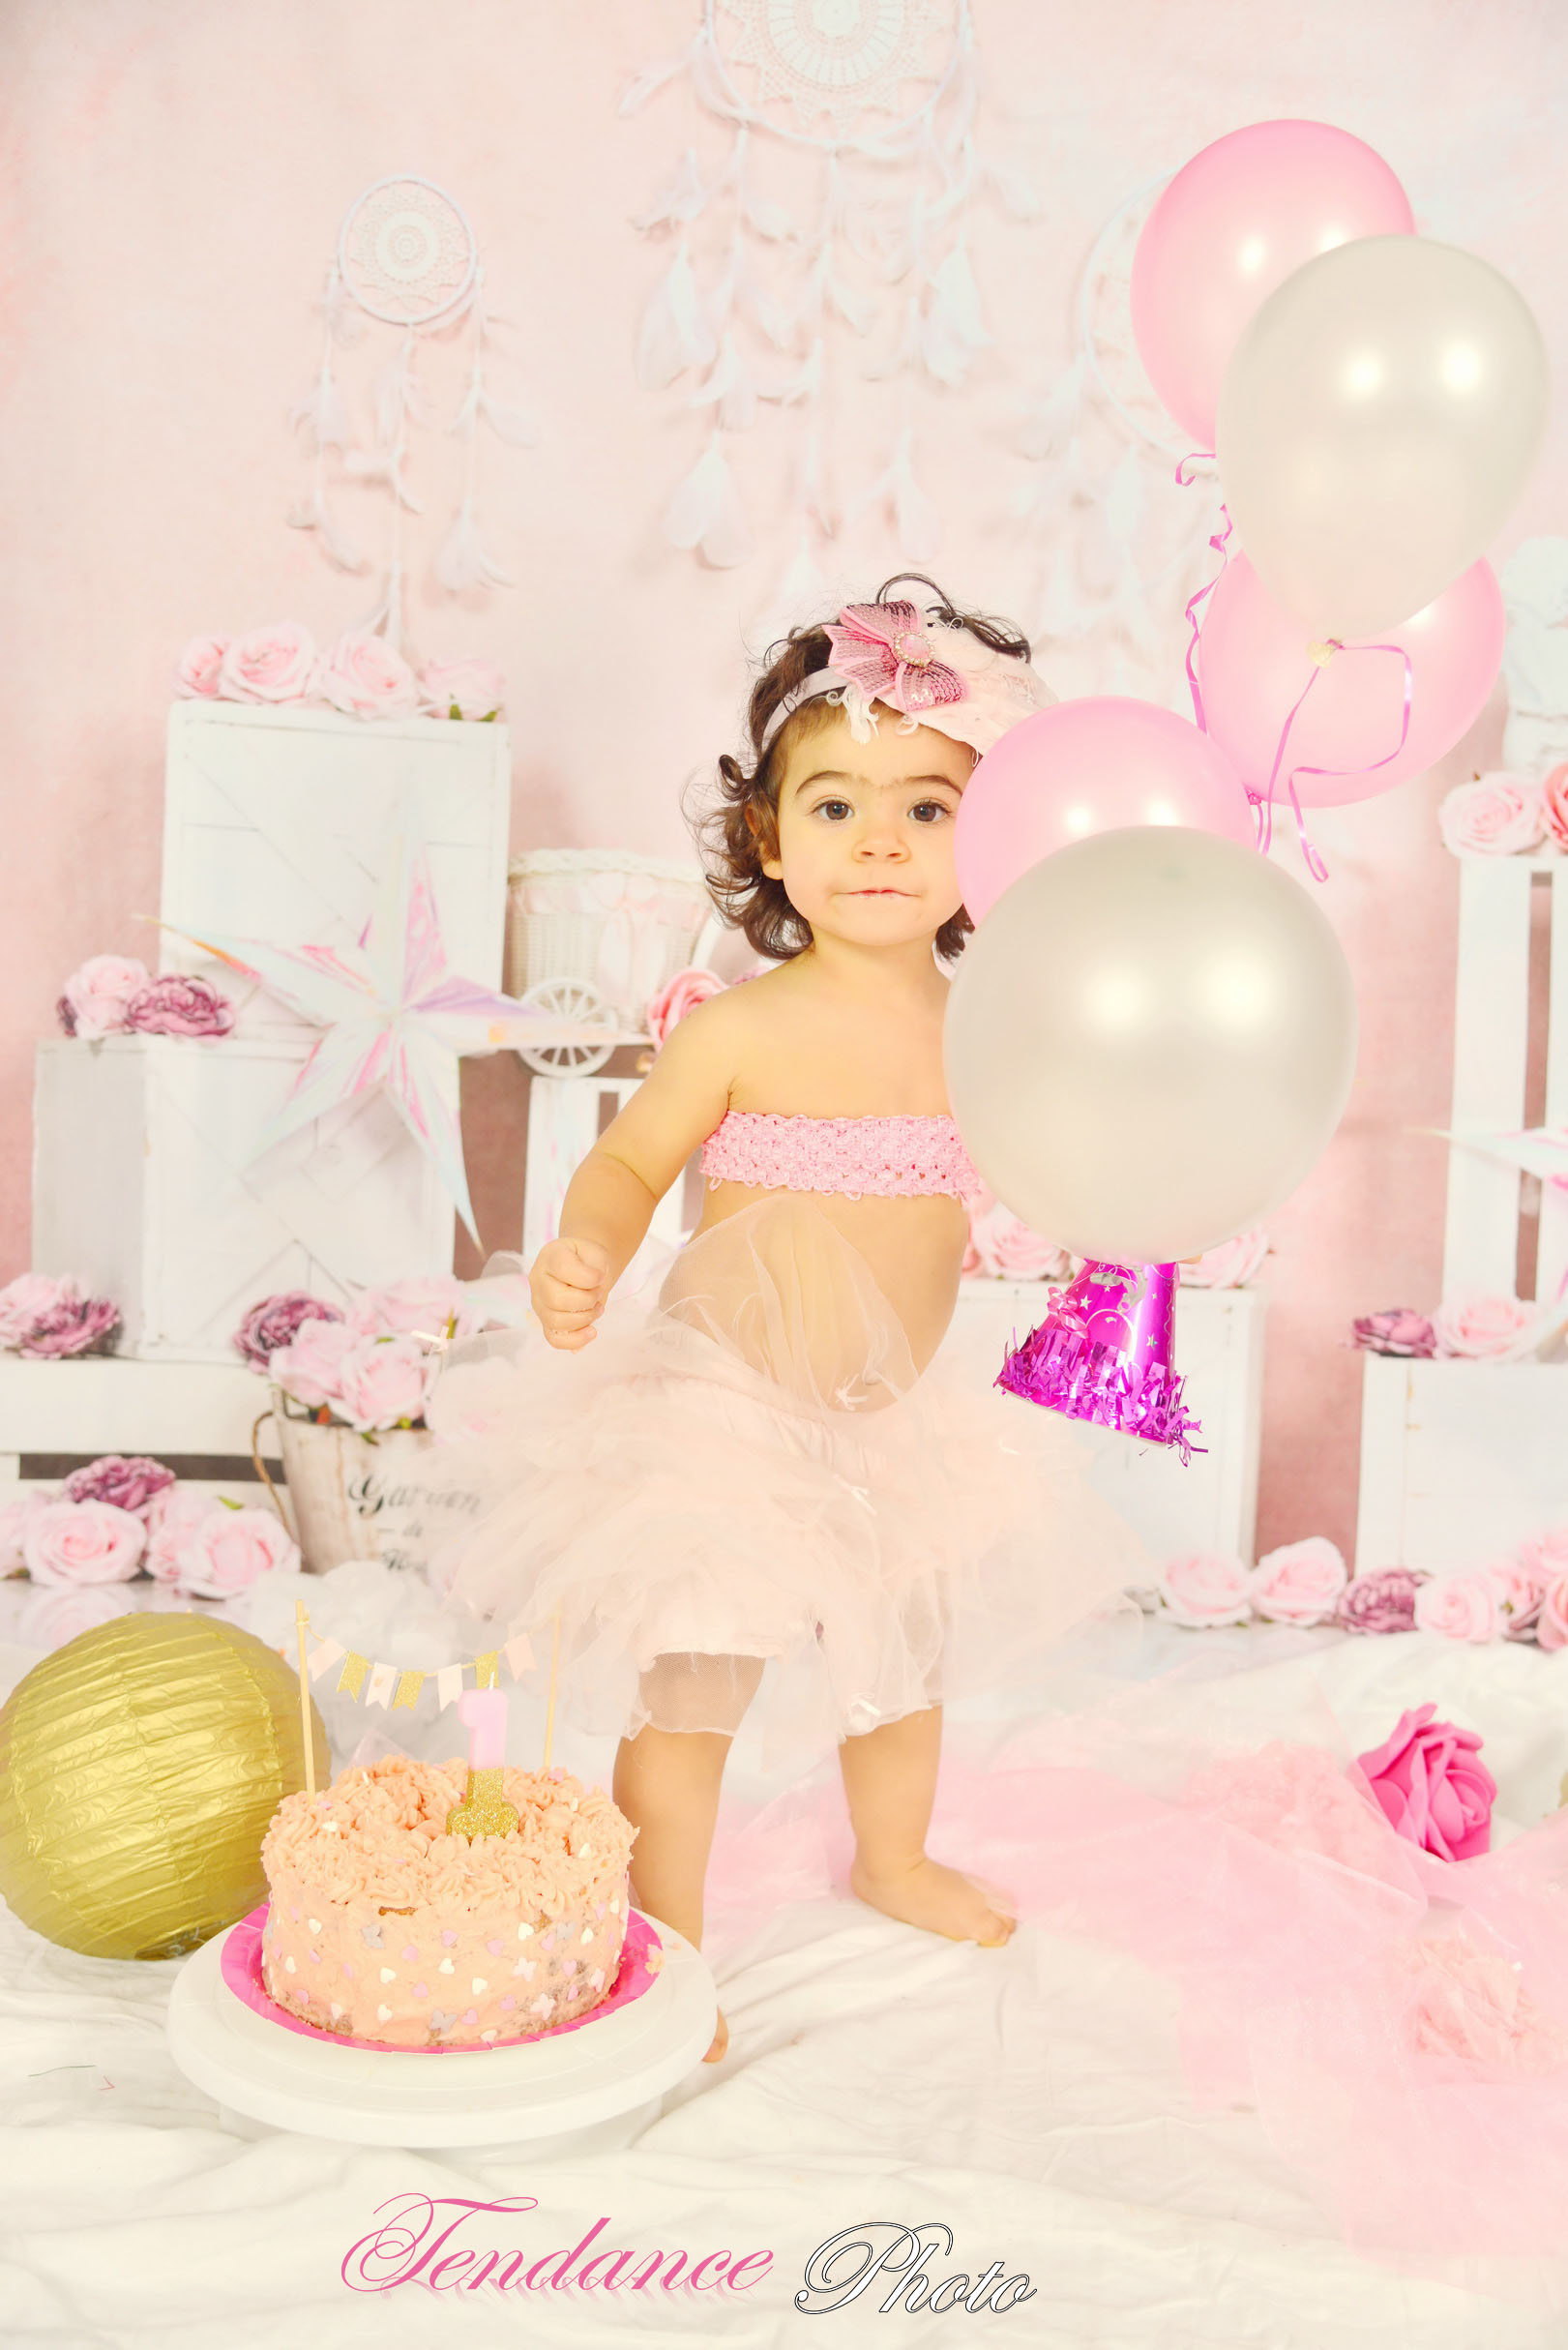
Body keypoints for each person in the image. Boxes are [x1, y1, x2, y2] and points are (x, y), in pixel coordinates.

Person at [427, 575, 1152, 2064]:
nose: (878, 841)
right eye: (833, 806)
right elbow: (631, 1160)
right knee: (692, 1680)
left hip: (893, 1414)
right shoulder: (742, 1026)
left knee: (903, 1653)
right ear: (768, 837)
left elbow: (1059, 1166)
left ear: (995, 839)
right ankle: (669, 1941)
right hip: (726, 1412)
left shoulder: (989, 1033)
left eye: (927, 809)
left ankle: (891, 1857)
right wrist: (586, 1241)